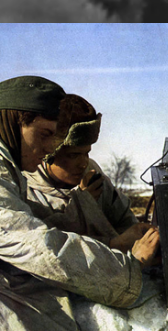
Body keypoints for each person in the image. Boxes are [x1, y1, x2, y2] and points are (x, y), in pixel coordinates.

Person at [0, 75, 161, 331]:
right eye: (45, 134)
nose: (50, 148)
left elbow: (30, 228)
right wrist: (127, 269)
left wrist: (116, 244)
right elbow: (39, 249)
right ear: (15, 122)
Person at [25, 93, 147, 251]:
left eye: (86, 153)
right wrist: (82, 206)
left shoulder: (92, 174)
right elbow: (49, 249)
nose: (83, 163)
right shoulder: (27, 191)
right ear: (49, 154)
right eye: (73, 155)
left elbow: (124, 221)